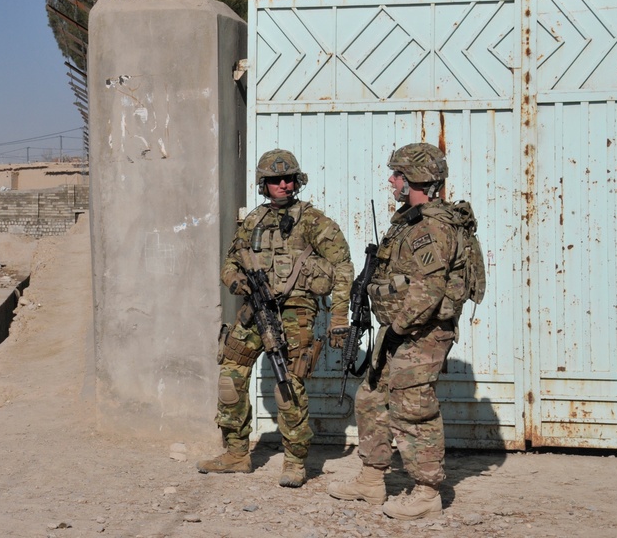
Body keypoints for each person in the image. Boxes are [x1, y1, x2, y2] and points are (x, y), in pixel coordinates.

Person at [197, 149, 353, 488]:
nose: (282, 184)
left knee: (288, 385)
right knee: (230, 377)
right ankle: (236, 453)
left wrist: (339, 314)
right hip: (255, 308)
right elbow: (229, 263)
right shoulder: (253, 221)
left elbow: (342, 266)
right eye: (274, 180)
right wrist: (236, 281)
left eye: (287, 179)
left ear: (297, 181)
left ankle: (296, 462)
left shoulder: (314, 222)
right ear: (263, 184)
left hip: (297, 310)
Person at [327, 142, 465, 520]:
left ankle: (425, 493)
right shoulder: (409, 219)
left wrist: (398, 326)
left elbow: (429, 290)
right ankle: (372, 478)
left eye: (397, 174)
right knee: (371, 398)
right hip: (400, 329)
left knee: (413, 407)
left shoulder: (433, 228)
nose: (391, 180)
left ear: (415, 179)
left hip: (422, 332)